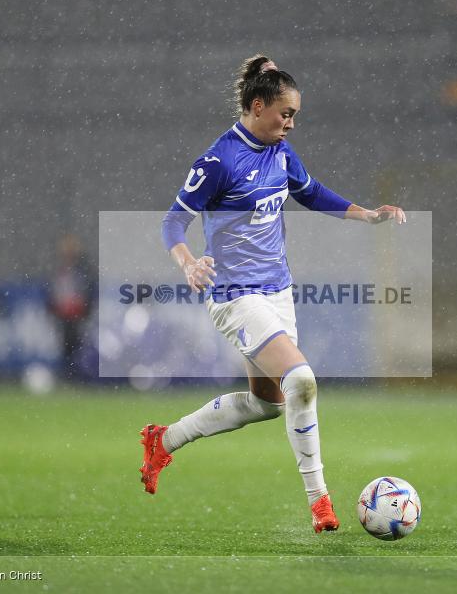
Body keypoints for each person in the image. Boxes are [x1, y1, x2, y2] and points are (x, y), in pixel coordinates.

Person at [140, 55, 406, 533]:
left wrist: (366, 215)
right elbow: (172, 222)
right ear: (258, 105)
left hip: (278, 294)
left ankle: (165, 440)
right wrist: (188, 262)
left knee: (269, 403)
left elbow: (311, 192)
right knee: (302, 380)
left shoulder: (281, 153)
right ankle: (320, 501)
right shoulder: (219, 161)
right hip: (235, 296)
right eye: (285, 113)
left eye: (295, 115)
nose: (291, 123)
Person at [48, 234, 95, 379]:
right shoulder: (60, 271)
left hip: (78, 316)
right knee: (66, 346)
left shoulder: (82, 271)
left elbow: (87, 293)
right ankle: (68, 374)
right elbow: (54, 293)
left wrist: (82, 308)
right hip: (64, 316)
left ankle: (79, 375)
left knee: (78, 346)